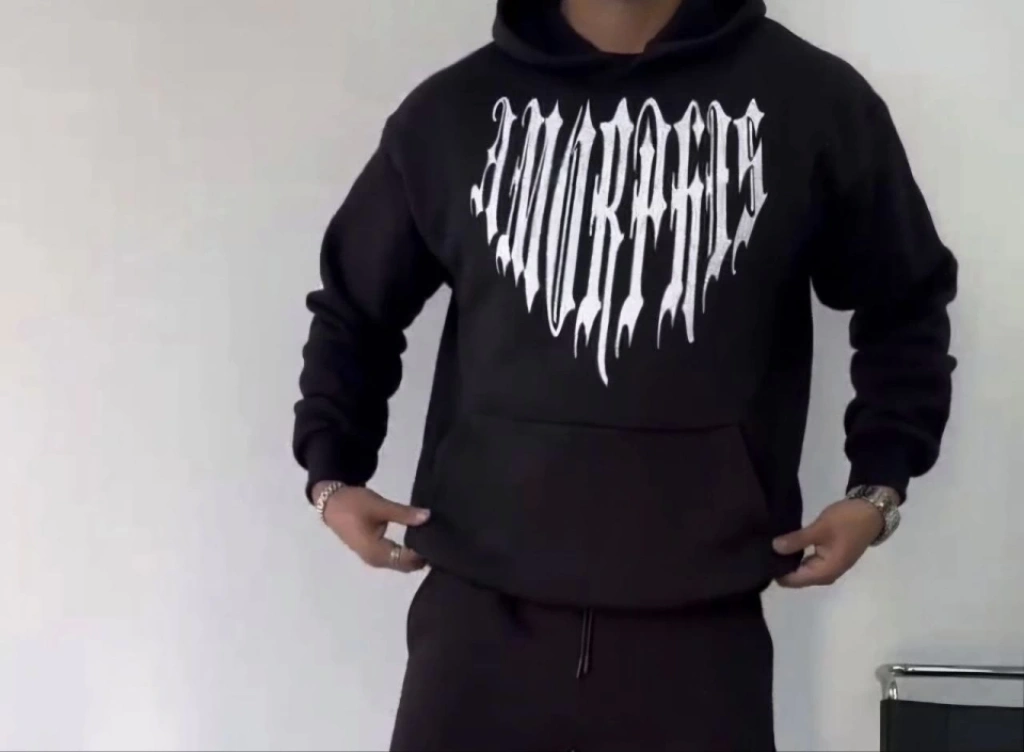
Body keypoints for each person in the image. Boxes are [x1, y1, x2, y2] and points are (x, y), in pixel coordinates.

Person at [292, 0, 958, 748]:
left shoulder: (813, 102)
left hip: (703, 623)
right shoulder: (452, 113)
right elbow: (355, 307)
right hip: (478, 617)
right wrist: (331, 472)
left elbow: (904, 302)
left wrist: (879, 486)